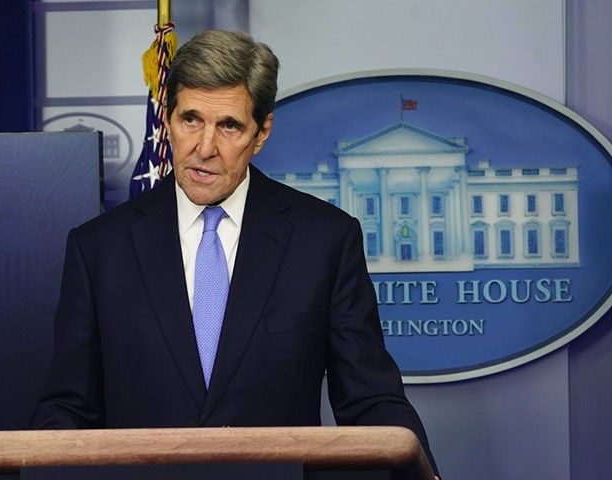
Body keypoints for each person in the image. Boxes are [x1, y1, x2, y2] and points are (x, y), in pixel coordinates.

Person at [30, 30, 440, 477]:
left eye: (228, 126)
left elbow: (371, 401)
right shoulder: (98, 250)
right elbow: (69, 409)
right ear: (167, 119)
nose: (204, 148)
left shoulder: (324, 241)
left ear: (261, 132)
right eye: (190, 120)